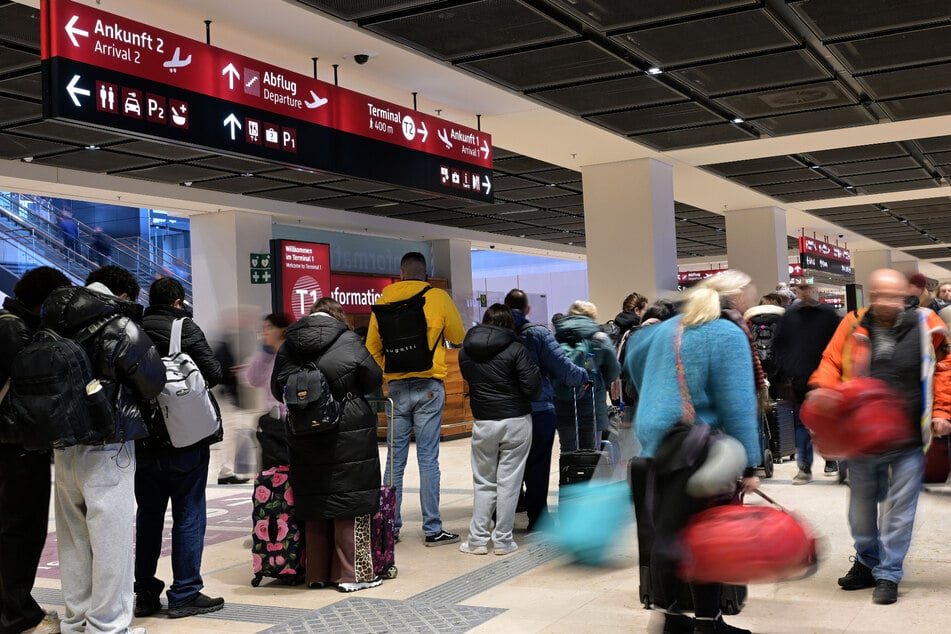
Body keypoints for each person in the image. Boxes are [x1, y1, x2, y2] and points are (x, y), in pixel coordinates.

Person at [626, 270, 762, 634]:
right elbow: (737, 403)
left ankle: (670, 617)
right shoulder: (726, 333)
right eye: (750, 294)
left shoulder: (667, 329)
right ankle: (707, 622)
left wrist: (657, 402)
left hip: (658, 443)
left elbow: (633, 360)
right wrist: (750, 463)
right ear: (737, 298)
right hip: (699, 447)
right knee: (708, 535)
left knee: (668, 532)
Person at [808, 268, 951, 605]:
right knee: (860, 510)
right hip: (861, 436)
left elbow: (945, 367)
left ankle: (888, 573)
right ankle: (867, 560)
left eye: (893, 296)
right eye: (879, 295)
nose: (886, 302)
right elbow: (830, 362)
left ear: (905, 296)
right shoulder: (853, 323)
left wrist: (943, 411)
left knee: (899, 510)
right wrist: (823, 390)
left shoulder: (927, 324)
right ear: (870, 296)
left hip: (908, 437)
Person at [42, 265, 165, 634]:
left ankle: (77, 619)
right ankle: (108, 624)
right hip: (108, 443)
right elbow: (153, 380)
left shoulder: (51, 322)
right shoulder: (119, 325)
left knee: (73, 537)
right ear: (122, 295)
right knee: (111, 537)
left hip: (62, 444)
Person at [271, 297, 383, 592]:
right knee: (351, 500)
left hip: (303, 428)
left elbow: (277, 388)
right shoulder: (349, 340)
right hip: (348, 429)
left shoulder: (289, 344)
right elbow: (373, 379)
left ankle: (317, 574)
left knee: (315, 500)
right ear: (338, 316)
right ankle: (352, 575)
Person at [134, 277, 225, 619]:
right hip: (186, 440)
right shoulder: (184, 327)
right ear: (178, 302)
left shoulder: (133, 328)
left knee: (148, 516)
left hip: (144, 440)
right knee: (188, 512)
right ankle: (185, 592)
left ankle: (145, 593)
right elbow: (213, 373)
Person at [365, 252, 466, 546]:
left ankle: (390, 528)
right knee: (428, 458)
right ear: (426, 274)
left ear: (400, 273)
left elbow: (371, 347)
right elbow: (458, 335)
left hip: (396, 389)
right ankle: (432, 529)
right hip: (429, 387)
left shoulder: (384, 299)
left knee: (394, 460)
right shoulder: (437, 297)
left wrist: (390, 371)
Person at [0, 267, 70, 634]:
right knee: (21, 531)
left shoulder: (9, 322)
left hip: (13, 445)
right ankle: (17, 615)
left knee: (14, 530)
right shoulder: (14, 329)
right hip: (16, 447)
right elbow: (35, 385)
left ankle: (14, 609)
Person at [458, 303, 541, 555]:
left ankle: (477, 540)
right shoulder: (517, 349)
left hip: (484, 422)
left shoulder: (466, 350)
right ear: (509, 324)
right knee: (509, 482)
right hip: (516, 421)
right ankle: (503, 540)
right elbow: (533, 389)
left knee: (483, 482)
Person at [503, 290, 586, 531]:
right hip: (538, 410)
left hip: (503, 410)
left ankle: (503, 519)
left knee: (506, 466)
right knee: (537, 465)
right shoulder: (538, 334)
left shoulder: (496, 333)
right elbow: (564, 369)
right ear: (528, 309)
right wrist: (583, 376)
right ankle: (538, 519)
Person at [772, 282, 841, 484]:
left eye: (806, 287)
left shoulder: (828, 314)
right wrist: (787, 370)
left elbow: (838, 342)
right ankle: (804, 467)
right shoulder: (789, 316)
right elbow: (779, 344)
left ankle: (830, 459)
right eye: (800, 288)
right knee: (802, 424)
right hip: (799, 379)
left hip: (825, 376)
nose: (804, 291)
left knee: (826, 422)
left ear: (813, 290)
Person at [552, 300, 621, 452]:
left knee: (568, 451)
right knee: (591, 454)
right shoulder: (599, 338)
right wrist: (599, 381)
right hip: (592, 407)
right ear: (592, 316)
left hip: (563, 406)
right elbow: (613, 371)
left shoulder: (557, 338)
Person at [244, 313, 292, 472]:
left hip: (290, 423)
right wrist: (264, 353)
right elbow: (253, 379)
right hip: (272, 424)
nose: (265, 332)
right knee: (271, 472)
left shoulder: (292, 356)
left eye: (269, 327)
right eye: (263, 328)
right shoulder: (268, 357)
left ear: (282, 330)